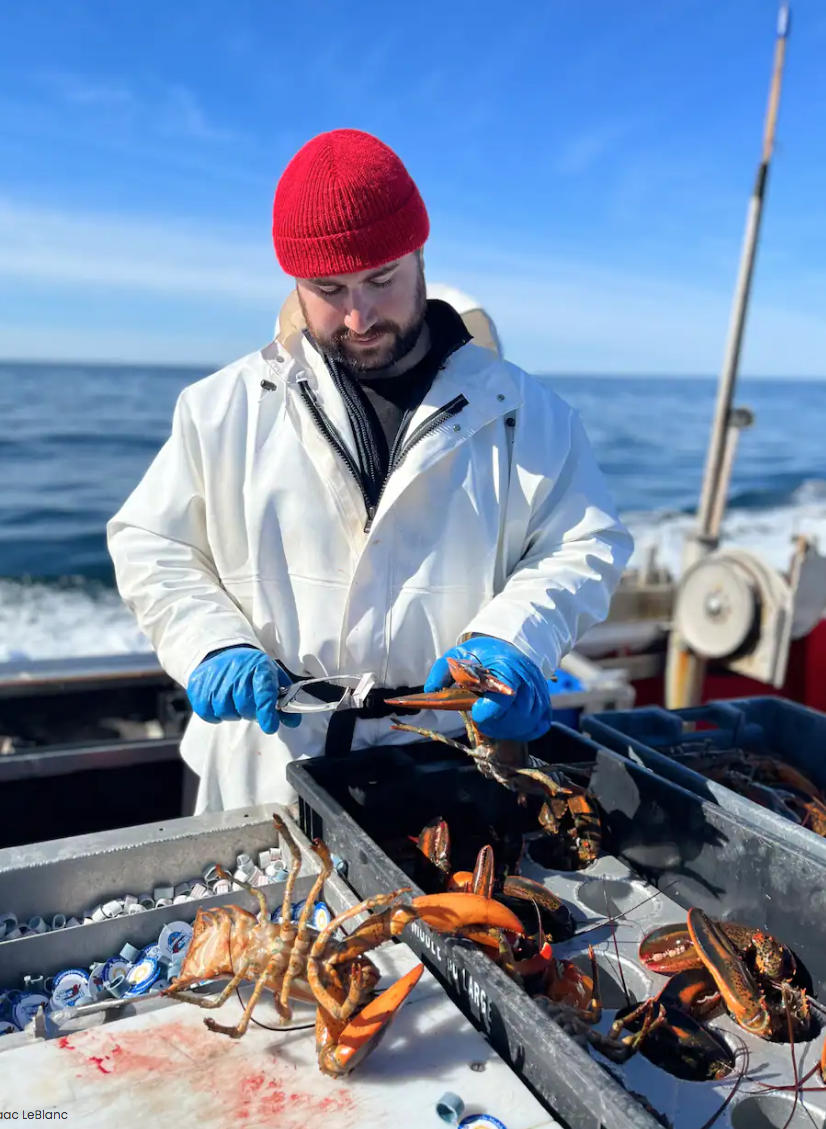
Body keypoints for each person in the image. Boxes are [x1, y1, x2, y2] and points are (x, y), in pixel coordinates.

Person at [107, 128, 634, 815]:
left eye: (381, 279)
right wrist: (211, 642)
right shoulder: (217, 409)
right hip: (265, 765)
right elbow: (156, 544)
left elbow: (581, 544)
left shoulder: (528, 413)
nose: (358, 315)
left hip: (448, 753)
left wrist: (514, 639)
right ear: (294, 282)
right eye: (328, 288)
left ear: (419, 254)